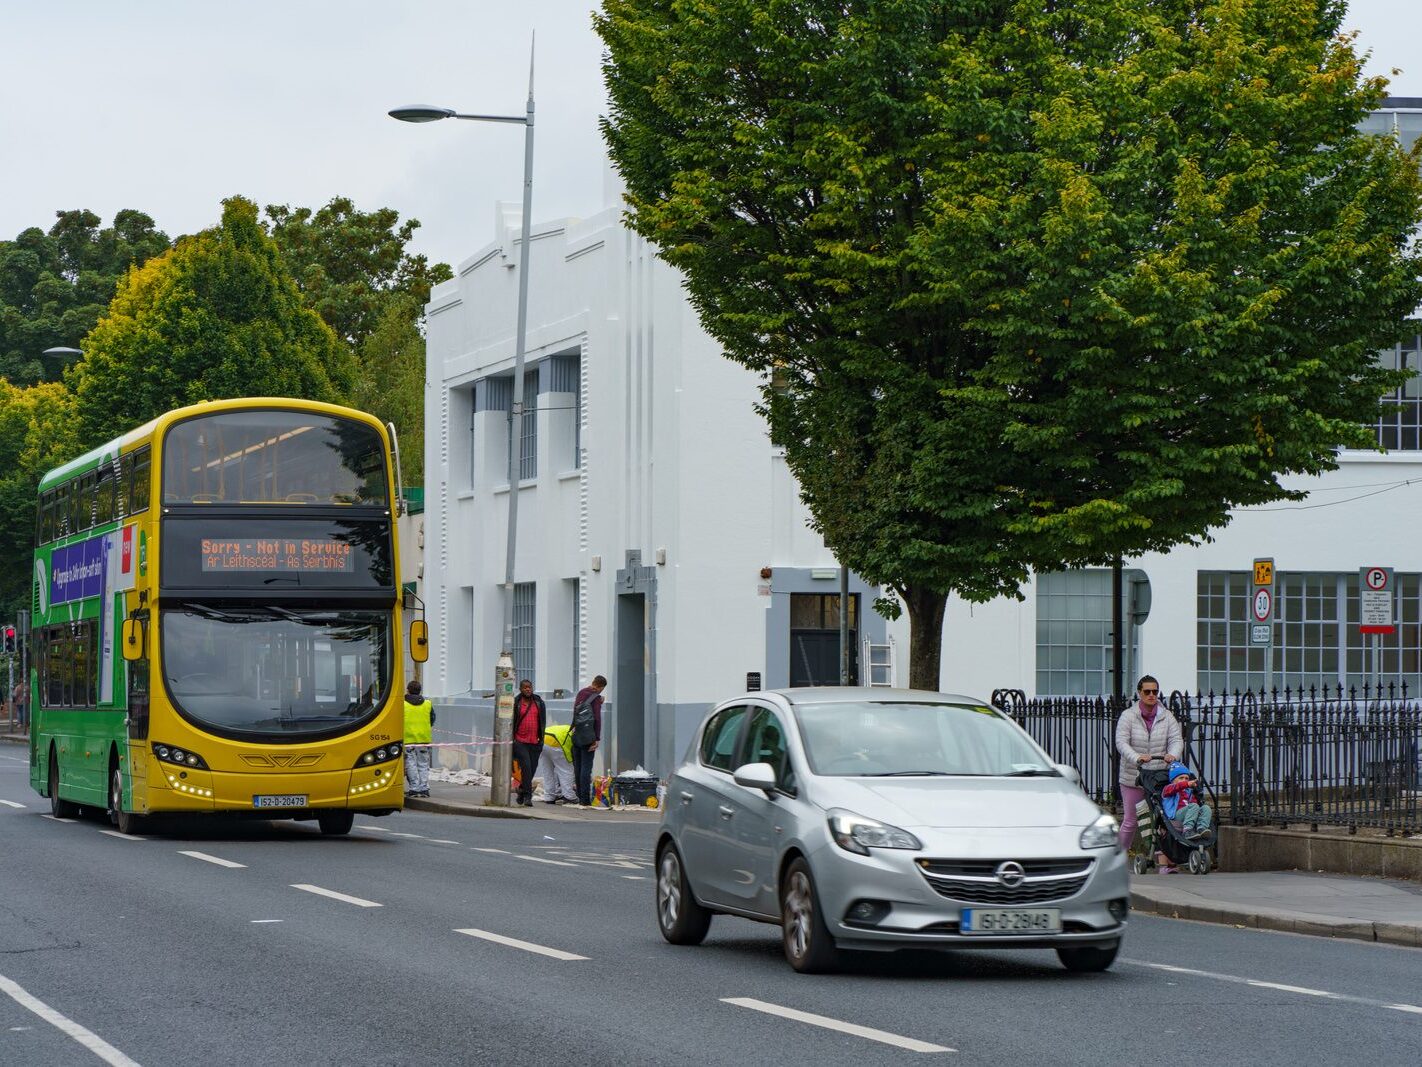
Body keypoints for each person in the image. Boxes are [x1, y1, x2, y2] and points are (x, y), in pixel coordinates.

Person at [1114, 674, 1182, 853]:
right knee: (1131, 820)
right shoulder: (1128, 716)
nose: (1152, 695)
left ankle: (1166, 860)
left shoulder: (1167, 716)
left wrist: (1172, 755)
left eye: (1155, 691)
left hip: (1159, 775)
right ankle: (1118, 858)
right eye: (1147, 691)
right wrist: (1137, 757)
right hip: (1133, 776)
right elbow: (1121, 742)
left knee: (1164, 819)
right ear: (1139, 693)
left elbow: (1176, 739)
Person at [570, 674, 607, 807]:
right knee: (586, 768)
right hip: (588, 737)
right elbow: (596, 719)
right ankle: (585, 799)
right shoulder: (596, 697)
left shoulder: (581, 693)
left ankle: (580, 796)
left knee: (578, 767)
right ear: (600, 686)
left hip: (576, 734)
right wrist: (596, 738)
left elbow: (575, 712)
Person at [511, 679, 546, 807]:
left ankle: (521, 790)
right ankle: (527, 797)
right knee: (526, 767)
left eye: (529, 687)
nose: (528, 689)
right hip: (520, 741)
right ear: (520, 689)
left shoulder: (539, 702)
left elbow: (543, 721)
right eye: (525, 687)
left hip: (535, 742)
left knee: (532, 769)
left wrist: (541, 739)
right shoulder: (516, 702)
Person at [403, 679, 436, 798]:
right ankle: (424, 789)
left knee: (411, 764)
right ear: (419, 691)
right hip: (424, 739)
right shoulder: (428, 703)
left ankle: (414, 789)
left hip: (408, 740)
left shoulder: (402, 704)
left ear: (408, 690)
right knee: (423, 764)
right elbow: (432, 719)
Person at [1162, 761, 1212, 838]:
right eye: (1181, 778)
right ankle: (1187, 830)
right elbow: (1176, 787)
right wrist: (1186, 784)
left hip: (1189, 813)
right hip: (1176, 815)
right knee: (1194, 806)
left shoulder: (1189, 792)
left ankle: (1202, 828)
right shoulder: (1169, 788)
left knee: (1206, 808)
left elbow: (1194, 804)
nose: (1184, 780)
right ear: (1173, 780)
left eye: (1186, 778)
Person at [536, 721, 578, 804]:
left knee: (548, 772)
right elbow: (570, 756)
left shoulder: (566, 727)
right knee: (566, 771)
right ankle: (569, 796)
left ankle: (549, 796)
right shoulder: (574, 735)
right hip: (555, 743)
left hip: (542, 742)